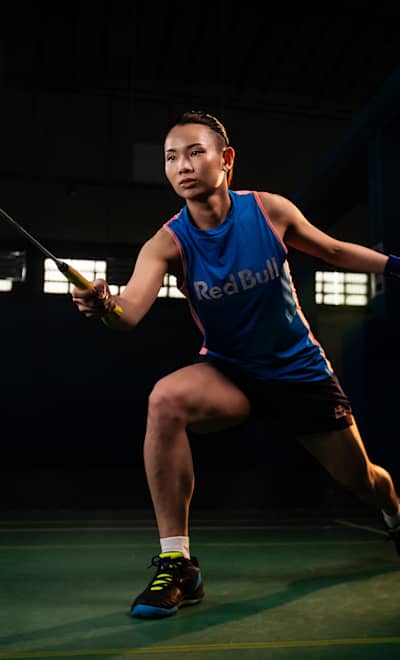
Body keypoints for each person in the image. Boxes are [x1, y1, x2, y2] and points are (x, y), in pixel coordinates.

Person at [71, 109, 400, 619]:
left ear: (225, 161)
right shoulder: (167, 242)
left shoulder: (269, 211)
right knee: (165, 400)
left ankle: (395, 514)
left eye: (194, 152)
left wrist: (394, 265)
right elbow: (128, 313)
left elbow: (333, 250)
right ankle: (177, 563)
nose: (182, 165)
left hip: (300, 372)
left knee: (362, 481)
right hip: (231, 373)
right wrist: (102, 305)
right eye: (170, 157)